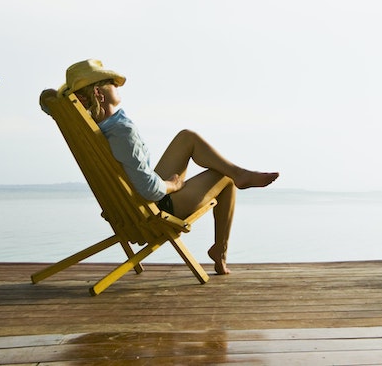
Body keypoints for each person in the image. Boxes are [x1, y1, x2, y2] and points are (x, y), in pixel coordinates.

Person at [40, 59, 279, 275]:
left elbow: (47, 102)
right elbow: (150, 190)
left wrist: (53, 97)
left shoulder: (90, 128)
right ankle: (222, 245)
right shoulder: (122, 132)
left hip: (129, 204)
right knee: (224, 177)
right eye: (112, 83)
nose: (118, 86)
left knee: (187, 137)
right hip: (155, 207)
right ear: (99, 93)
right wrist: (172, 185)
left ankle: (240, 176)